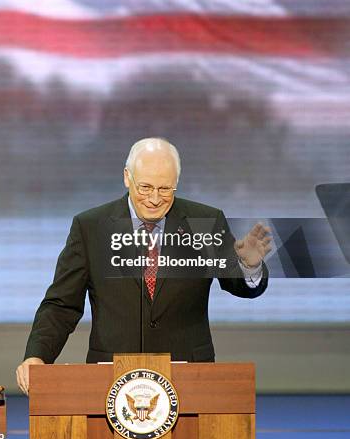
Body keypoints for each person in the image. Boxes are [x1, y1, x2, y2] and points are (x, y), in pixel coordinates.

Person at [16, 137, 271, 394]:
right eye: (146, 187)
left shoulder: (203, 221)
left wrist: (250, 266)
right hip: (112, 378)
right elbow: (62, 305)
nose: (155, 198)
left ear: (176, 184)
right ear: (127, 177)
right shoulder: (91, 227)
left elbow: (238, 284)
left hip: (188, 378)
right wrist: (37, 356)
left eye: (165, 189)